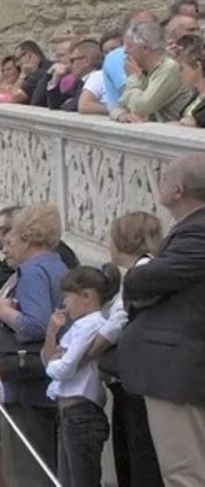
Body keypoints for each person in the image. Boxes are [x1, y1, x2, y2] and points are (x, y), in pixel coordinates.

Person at [119, 153, 205, 486]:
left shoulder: (197, 234)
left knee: (185, 474)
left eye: (165, 177)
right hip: (178, 372)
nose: (161, 182)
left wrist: (139, 274)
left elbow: (140, 281)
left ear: (179, 190)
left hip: (180, 374)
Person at [0, 203, 68, 486]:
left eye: (15, 238)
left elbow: (37, 324)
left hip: (26, 386)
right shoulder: (57, 266)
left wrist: (1, 310)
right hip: (44, 381)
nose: (8, 247)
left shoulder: (33, 271)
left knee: (28, 471)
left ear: (28, 238)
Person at [86, 213, 165, 487]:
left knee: (138, 457)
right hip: (138, 379)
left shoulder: (141, 274)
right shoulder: (146, 270)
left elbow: (118, 322)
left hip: (137, 383)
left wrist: (87, 351)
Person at [43, 266, 121, 487]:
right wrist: (51, 335)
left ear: (86, 296)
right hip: (69, 413)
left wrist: (54, 363)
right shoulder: (79, 327)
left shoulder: (91, 325)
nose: (65, 303)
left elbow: (66, 367)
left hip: (81, 413)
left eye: (68, 296)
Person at [111, 21, 193, 123]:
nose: (125, 51)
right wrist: (122, 115)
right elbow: (117, 105)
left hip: (172, 133)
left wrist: (132, 78)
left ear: (145, 48)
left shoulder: (169, 68)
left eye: (130, 46)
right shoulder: (142, 70)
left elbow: (142, 108)